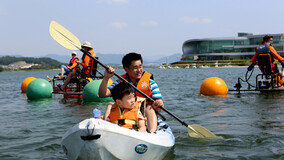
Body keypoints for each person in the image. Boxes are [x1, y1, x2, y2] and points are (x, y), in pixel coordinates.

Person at [99, 52, 164, 132]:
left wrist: (158, 104)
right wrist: (106, 78)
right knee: (110, 104)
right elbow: (102, 94)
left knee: (149, 108)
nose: (139, 70)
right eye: (135, 67)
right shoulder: (120, 82)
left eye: (140, 66)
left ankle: (152, 133)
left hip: (143, 114)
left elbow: (160, 106)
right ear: (126, 69)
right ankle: (107, 129)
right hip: (124, 113)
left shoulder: (151, 83)